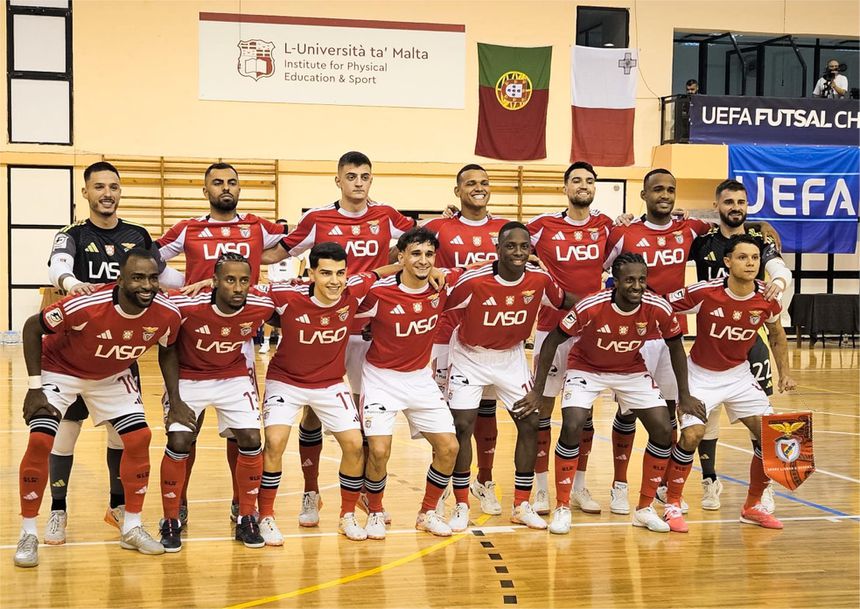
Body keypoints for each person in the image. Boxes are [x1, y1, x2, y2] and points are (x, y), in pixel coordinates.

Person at [263, 151, 416, 528]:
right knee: (313, 412)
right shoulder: (317, 218)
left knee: (365, 418)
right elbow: (277, 253)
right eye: (351, 176)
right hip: (324, 329)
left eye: (365, 176)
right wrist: (230, 253)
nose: (359, 183)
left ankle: (363, 493)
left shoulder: (387, 215)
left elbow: (422, 243)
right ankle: (311, 491)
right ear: (338, 180)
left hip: (369, 330)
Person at [14, 248, 181, 567]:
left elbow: (168, 350)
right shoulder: (87, 303)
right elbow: (32, 328)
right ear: (120, 280)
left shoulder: (167, 313)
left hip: (111, 375)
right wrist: (35, 389)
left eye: (152, 278)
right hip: (61, 369)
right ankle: (28, 532)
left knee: (139, 438)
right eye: (137, 278)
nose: (147, 285)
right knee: (40, 441)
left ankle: (131, 525)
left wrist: (174, 398)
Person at [515, 252, 703, 534]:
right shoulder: (592, 305)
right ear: (615, 282)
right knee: (573, 424)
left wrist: (685, 395)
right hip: (586, 368)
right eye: (629, 280)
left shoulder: (658, 307)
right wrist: (538, 391)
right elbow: (553, 340)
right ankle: (563, 507)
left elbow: (676, 346)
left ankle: (644, 508)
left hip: (630, 369)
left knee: (663, 430)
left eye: (642, 279)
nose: (637, 286)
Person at [44, 161, 178, 545]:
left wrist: (198, 282)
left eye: (114, 187)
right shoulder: (72, 234)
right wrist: (71, 284)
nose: (107, 193)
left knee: (124, 437)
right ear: (85, 192)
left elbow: (162, 276)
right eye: (99, 187)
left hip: (119, 352)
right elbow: (59, 266)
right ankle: (57, 511)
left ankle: (118, 508)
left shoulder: (137, 235)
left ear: (120, 192)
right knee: (64, 436)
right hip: (74, 351)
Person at [157, 162, 287, 525]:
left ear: (239, 189)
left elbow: (292, 243)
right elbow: (152, 256)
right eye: (217, 182)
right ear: (206, 191)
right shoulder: (190, 228)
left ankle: (239, 502)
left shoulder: (256, 225)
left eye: (231, 182)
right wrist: (183, 281)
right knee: (186, 431)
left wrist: (259, 270)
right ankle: (178, 505)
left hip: (238, 338)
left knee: (241, 431)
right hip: (195, 332)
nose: (225, 187)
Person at [257, 242, 411, 544]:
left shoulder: (353, 289)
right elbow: (248, 292)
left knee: (354, 444)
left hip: (329, 383)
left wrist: (425, 269)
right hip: (285, 381)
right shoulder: (286, 295)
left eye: (341, 273)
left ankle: (347, 515)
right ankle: (266, 516)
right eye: (326, 273)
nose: (334, 280)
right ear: (311, 273)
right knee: (274, 442)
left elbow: (379, 272)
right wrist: (210, 281)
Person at [443, 222, 574, 532]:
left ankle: (521, 503)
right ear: (497, 249)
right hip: (469, 356)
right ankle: (461, 504)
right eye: (511, 246)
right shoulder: (474, 281)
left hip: (510, 357)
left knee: (531, 421)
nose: (518, 252)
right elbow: (439, 306)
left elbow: (564, 300)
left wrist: (608, 293)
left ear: (531, 250)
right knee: (462, 425)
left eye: (524, 246)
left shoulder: (540, 279)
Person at [662, 234, 797, 532]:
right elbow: (663, 306)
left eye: (754, 258)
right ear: (727, 262)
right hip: (699, 374)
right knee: (692, 435)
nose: (750, 263)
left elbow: (777, 335)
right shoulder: (705, 292)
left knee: (770, 435)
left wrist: (785, 372)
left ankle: (752, 505)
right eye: (742, 257)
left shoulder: (767, 297)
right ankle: (672, 502)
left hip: (738, 375)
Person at [600, 169, 712, 515]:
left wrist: (763, 230)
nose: (665, 194)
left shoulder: (689, 228)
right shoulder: (624, 232)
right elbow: (603, 270)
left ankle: (662, 487)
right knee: (628, 410)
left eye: (670, 190)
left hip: (671, 336)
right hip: (633, 335)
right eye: (657, 189)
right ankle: (620, 484)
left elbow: (726, 226)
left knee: (667, 414)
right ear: (644, 195)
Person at [685, 179, 792, 512]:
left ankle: (765, 487)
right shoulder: (702, 241)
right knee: (708, 417)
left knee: (760, 417)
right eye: (728, 201)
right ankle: (709, 479)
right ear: (717, 206)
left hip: (748, 340)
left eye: (741, 202)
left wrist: (776, 281)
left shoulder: (760, 238)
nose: (735, 207)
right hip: (712, 336)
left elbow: (778, 268)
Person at [157, 253, 275, 551]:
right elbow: (167, 350)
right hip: (188, 376)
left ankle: (246, 516)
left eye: (244, 281)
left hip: (231, 376)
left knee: (251, 437)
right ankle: (172, 516)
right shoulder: (185, 306)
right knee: (180, 439)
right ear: (214, 282)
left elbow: (291, 300)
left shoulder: (261, 306)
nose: (238, 287)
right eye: (230, 280)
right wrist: (175, 398)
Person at [354, 227, 461, 538]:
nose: (424, 260)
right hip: (381, 379)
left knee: (449, 448)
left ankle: (427, 512)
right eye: (415, 253)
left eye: (429, 254)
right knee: (379, 450)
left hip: (419, 379)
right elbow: (345, 308)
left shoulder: (441, 289)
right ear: (400, 257)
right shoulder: (378, 293)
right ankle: (374, 509)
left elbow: (477, 271)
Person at [526, 161, 613, 516]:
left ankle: (579, 486)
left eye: (590, 181)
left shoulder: (606, 225)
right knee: (542, 409)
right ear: (565, 187)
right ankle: (542, 489)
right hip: (552, 328)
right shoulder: (544, 226)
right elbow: (501, 234)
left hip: (590, 331)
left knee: (583, 413)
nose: (584, 185)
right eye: (576, 180)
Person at [422, 164, 509, 517]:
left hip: (489, 335)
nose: (478, 188)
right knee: (450, 417)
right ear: (457, 191)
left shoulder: (505, 229)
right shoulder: (437, 228)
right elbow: (410, 260)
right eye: (470, 183)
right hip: (445, 333)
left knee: (486, 412)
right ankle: (443, 482)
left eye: (484, 183)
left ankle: (483, 480)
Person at [260, 219, 304, 354]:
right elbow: (257, 260)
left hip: (288, 284)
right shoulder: (271, 245)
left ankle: (280, 341)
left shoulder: (292, 245)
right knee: (269, 314)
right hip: (273, 284)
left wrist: (300, 276)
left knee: (285, 315)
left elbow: (303, 260)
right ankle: (266, 342)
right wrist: (262, 278)